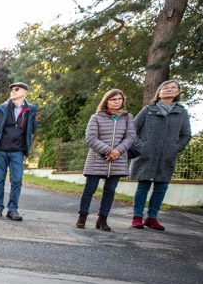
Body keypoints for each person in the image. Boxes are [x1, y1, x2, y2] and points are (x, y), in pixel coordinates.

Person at [129, 79, 192, 231]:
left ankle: (152, 218)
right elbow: (132, 130)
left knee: (161, 187)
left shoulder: (181, 112)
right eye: (166, 87)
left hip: (167, 156)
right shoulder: (148, 109)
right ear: (159, 92)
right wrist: (141, 146)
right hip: (146, 155)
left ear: (177, 93)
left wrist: (175, 148)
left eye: (173, 87)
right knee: (143, 185)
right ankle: (137, 217)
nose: (169, 89)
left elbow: (186, 135)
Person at [77, 89, 136, 231]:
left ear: (122, 101)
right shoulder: (96, 117)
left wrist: (118, 151)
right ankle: (82, 217)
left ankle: (102, 220)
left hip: (118, 160)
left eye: (119, 99)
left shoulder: (128, 117)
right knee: (89, 189)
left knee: (110, 191)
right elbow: (91, 138)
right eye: (113, 99)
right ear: (106, 101)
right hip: (97, 159)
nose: (116, 101)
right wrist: (109, 150)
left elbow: (130, 137)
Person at [0, 82, 37, 221]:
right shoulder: (1, 108)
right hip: (0, 151)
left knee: (17, 180)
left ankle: (12, 210)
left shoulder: (31, 110)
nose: (13, 91)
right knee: (0, 179)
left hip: (17, 152)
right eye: (11, 90)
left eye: (16, 89)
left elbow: (32, 129)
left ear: (25, 92)